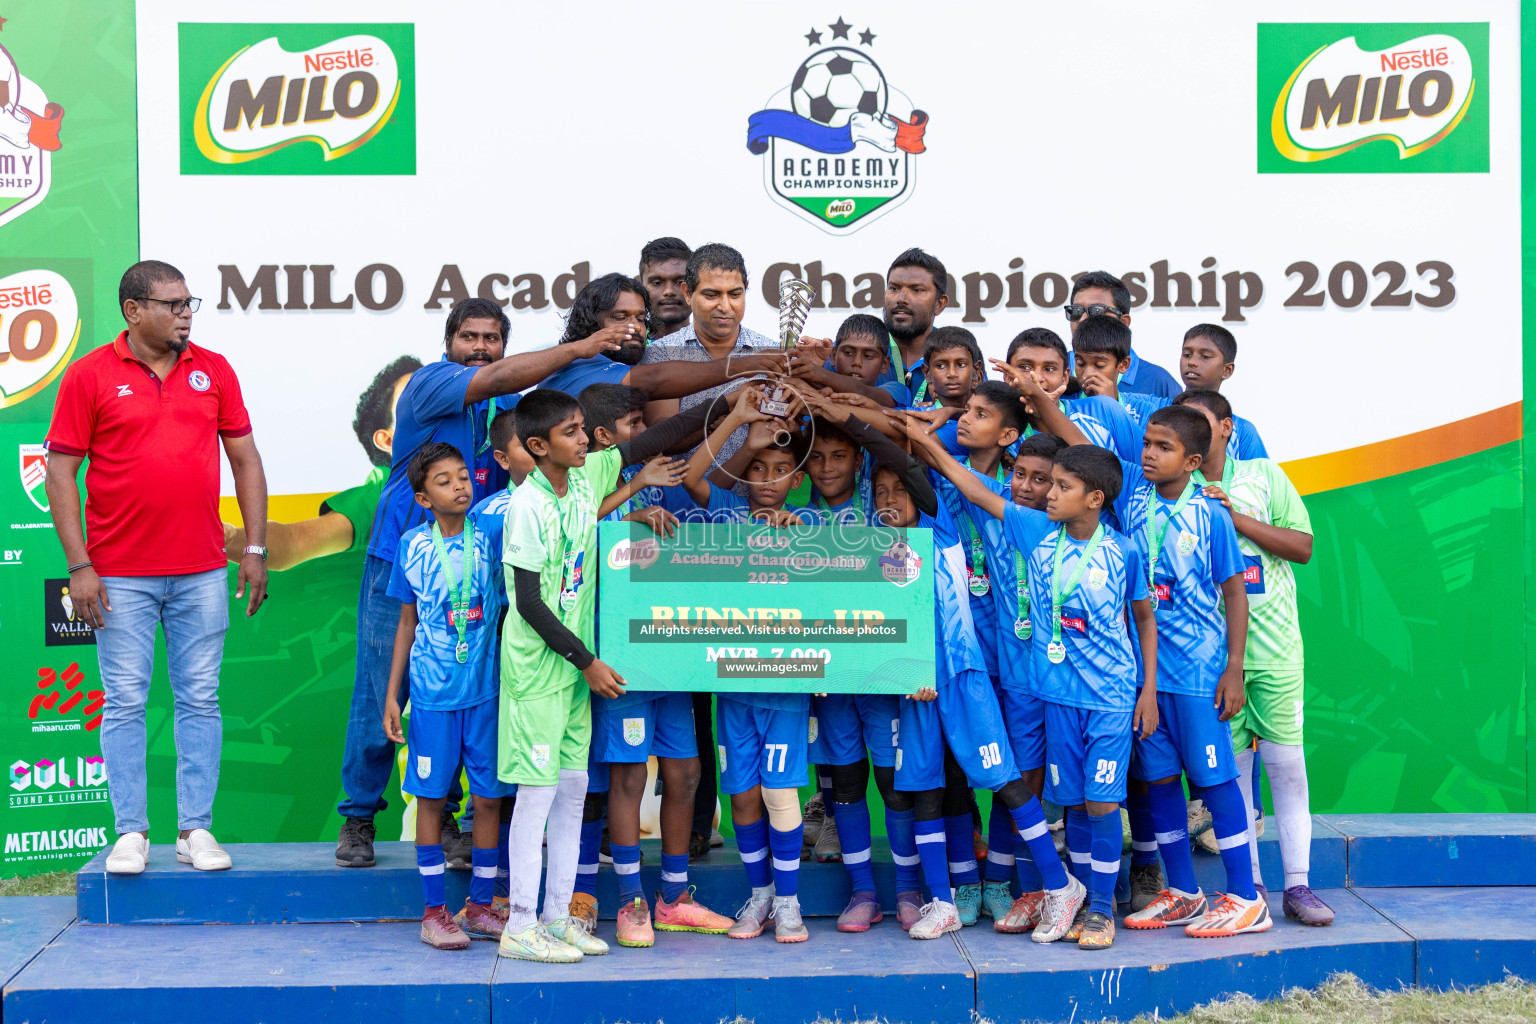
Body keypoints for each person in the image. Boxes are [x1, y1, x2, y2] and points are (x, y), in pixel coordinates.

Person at [336, 298, 620, 870]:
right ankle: (360, 816)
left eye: (492, 338)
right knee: (382, 691)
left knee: (482, 690)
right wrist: (582, 347)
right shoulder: (432, 384)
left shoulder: (508, 412)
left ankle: (465, 825)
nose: (481, 348)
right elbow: (494, 377)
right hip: (403, 561)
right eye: (470, 336)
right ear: (449, 343)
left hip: (481, 572)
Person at [44, 260, 269, 874]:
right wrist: (79, 565)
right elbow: (60, 470)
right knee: (124, 701)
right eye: (172, 304)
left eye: (189, 302)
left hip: (201, 571)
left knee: (200, 698)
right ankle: (130, 834)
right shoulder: (89, 375)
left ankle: (196, 830)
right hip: (117, 575)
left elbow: (246, 461)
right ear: (134, 311)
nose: (186, 314)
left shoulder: (214, 369)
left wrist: (253, 548)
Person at [496, 388, 719, 962]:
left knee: (572, 793)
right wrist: (588, 662)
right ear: (538, 446)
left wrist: (734, 402)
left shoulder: (585, 477)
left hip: (573, 674)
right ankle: (520, 926)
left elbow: (653, 439)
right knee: (538, 796)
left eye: (582, 429)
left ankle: (556, 916)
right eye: (571, 432)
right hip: (541, 673)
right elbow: (529, 603)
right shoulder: (527, 504)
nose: (586, 439)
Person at [1174, 389, 1332, 927]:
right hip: (1211, 661)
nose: (1191, 433)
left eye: (1201, 423)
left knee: (1287, 768)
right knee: (1232, 776)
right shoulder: (1174, 490)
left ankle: (1299, 886)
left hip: (1277, 651)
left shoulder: (1263, 475)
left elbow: (1303, 546)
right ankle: (1251, 889)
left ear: (1225, 427)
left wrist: (1235, 519)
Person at [1117, 405, 1269, 938]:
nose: (1150, 455)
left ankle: (1247, 899)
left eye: (1163, 447)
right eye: (1147, 445)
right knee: (1159, 783)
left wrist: (1234, 668)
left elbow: (1234, 592)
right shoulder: (1133, 506)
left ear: (1194, 460)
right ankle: (1182, 892)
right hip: (1147, 678)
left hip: (1201, 673)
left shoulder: (1211, 513)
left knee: (1215, 780)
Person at [1023, 445, 1158, 950]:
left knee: (1102, 803)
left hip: (1111, 699)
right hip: (1058, 698)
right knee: (1076, 805)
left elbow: (1145, 619)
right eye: (1049, 485)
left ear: (1094, 498)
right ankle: (1082, 903)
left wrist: (1147, 691)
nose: (1048, 494)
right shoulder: (1040, 551)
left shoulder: (1122, 551)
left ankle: (1103, 910)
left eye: (1061, 487)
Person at [382, 443, 512, 949]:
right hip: (433, 698)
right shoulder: (412, 545)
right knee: (433, 801)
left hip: (485, 693)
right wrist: (395, 695)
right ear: (422, 497)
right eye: (444, 481)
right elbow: (406, 623)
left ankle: (480, 907)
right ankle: (434, 913)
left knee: (488, 800)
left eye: (463, 476)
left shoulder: (493, 534)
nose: (460, 485)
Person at [223, 355, 420, 569]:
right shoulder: (387, 497)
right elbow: (293, 541)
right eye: (416, 400)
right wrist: (229, 538)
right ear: (389, 440)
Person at [537, 273, 784, 406]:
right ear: (591, 322)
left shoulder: (630, 363)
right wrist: (747, 363)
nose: (634, 327)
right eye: (620, 317)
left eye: (640, 318)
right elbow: (656, 379)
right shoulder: (576, 367)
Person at [1067, 271, 1179, 400]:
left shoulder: (1160, 382)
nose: (1082, 319)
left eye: (1096, 311)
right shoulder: (1051, 374)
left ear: (1123, 322)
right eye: (1076, 311)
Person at [1177, 325, 1269, 460]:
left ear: (1227, 370)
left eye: (1205, 356)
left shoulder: (1242, 431)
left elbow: (1259, 478)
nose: (1192, 362)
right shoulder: (1155, 411)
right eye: (1187, 355)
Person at [1071, 314, 1166, 433]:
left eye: (1099, 365)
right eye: (1080, 363)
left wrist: (1111, 407)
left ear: (1123, 365)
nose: (1087, 374)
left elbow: (1135, 451)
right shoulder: (1065, 405)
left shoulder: (1143, 410)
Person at [883, 248, 950, 401]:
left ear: (939, 304)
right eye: (894, 288)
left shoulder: (958, 355)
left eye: (917, 290)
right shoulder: (854, 349)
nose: (901, 298)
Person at [639, 236, 693, 341]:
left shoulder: (718, 349)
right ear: (641, 288)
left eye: (680, 282)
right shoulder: (623, 350)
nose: (669, 291)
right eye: (657, 283)